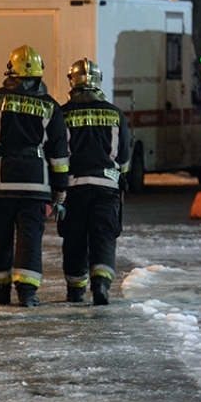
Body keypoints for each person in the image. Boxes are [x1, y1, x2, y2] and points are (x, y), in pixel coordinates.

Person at [0, 45, 69, 307]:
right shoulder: (50, 106)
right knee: (30, 238)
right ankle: (27, 293)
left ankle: (0, 289)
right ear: (39, 75)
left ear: (10, 72)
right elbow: (59, 154)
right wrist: (60, 190)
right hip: (35, 184)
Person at [58, 58, 131, 305]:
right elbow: (124, 157)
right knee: (103, 237)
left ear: (72, 81)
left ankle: (76, 290)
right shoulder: (115, 113)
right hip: (106, 188)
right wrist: (119, 176)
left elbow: (55, 153)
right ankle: (100, 283)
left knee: (74, 239)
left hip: (73, 189)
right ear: (99, 82)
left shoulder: (63, 113)